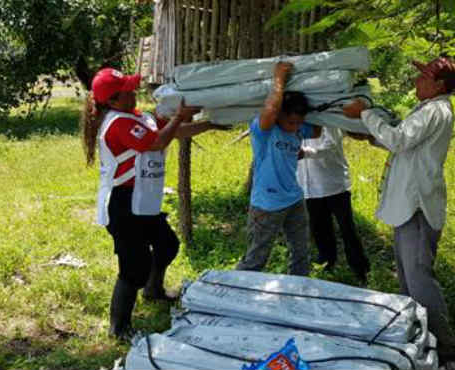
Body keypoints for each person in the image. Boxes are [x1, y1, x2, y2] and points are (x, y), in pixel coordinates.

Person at [80, 68, 222, 340]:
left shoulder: (136, 117)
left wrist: (208, 124)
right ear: (112, 101)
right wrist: (179, 117)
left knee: (168, 244)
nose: (134, 93)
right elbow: (157, 141)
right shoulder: (118, 123)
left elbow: (173, 132)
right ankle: (119, 327)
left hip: (142, 199)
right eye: (127, 91)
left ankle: (153, 290)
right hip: (123, 204)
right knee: (133, 266)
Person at [342, 57, 455, 369]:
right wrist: (372, 135)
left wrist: (365, 114)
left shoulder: (436, 110)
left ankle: (446, 350)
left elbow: (399, 139)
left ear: (439, 85)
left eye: (423, 78)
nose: (416, 82)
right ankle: (419, 339)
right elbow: (407, 146)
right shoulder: (430, 109)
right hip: (409, 205)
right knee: (408, 280)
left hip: (417, 206)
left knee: (419, 279)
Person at [236, 62, 322, 275]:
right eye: (291, 122)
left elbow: (318, 130)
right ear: (279, 116)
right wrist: (279, 78)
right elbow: (271, 109)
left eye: (299, 123)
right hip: (266, 204)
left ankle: (297, 291)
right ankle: (236, 292)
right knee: (256, 257)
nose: (296, 128)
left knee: (301, 253)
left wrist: (319, 99)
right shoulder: (264, 130)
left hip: (293, 198)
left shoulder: (298, 127)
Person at [296, 126, 370, 285]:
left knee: (347, 229)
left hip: (333, 185)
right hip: (309, 187)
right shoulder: (295, 121)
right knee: (319, 229)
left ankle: (360, 270)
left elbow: (331, 145)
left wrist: (306, 152)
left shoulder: (326, 120)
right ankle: (327, 266)